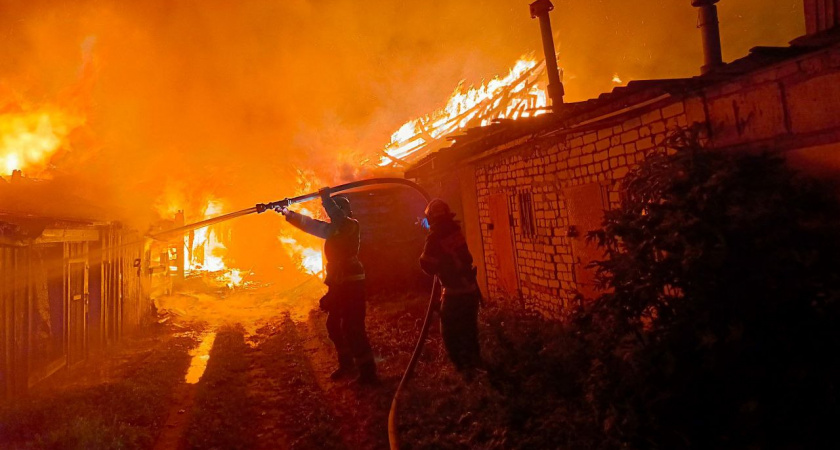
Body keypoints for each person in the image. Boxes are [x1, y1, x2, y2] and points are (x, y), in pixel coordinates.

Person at [277, 187, 377, 385]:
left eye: (336, 209)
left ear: (344, 211)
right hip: (338, 281)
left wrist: (326, 199)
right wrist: (288, 213)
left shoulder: (350, 225)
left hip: (351, 281)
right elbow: (311, 225)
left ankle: (368, 373)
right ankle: (347, 364)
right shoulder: (333, 230)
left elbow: (338, 219)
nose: (332, 213)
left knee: (352, 327)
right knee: (333, 325)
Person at [419, 199, 483, 373]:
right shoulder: (455, 230)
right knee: (469, 331)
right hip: (470, 290)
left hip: (454, 293)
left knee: (450, 334)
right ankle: (475, 366)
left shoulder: (434, 237)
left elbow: (427, 265)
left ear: (431, 218)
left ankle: (463, 371)